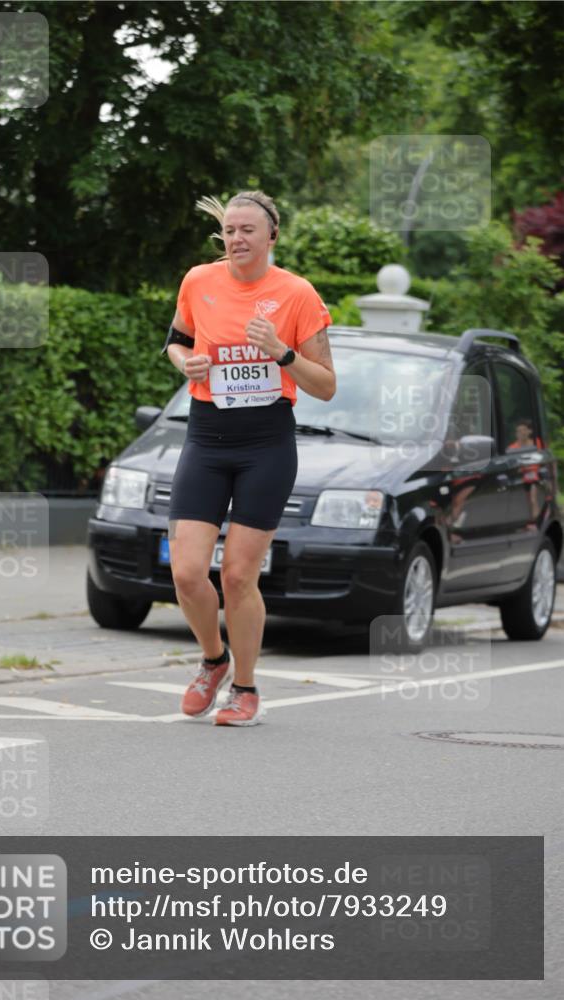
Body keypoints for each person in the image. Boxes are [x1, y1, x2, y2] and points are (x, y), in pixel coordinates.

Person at [161, 191, 335, 726]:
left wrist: (282, 352)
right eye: (230, 230)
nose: (236, 239)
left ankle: (245, 687)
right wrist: (186, 363)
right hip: (206, 438)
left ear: (272, 236)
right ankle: (214, 659)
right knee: (187, 572)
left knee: (238, 576)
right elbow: (176, 340)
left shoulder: (297, 293)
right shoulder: (199, 280)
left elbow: (326, 385)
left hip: (266, 446)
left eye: (247, 230)